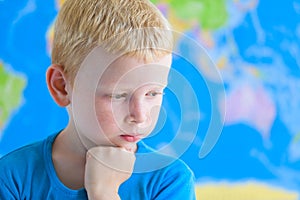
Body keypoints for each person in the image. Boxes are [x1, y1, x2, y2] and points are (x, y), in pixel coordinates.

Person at [0, 0, 196, 199]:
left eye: (153, 93)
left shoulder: (169, 181)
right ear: (62, 86)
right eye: (118, 95)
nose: (140, 116)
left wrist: (104, 193)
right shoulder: (12, 178)